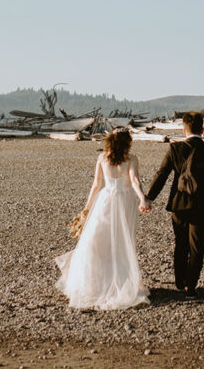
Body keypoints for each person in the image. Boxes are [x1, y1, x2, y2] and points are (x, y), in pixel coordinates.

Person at [56, 128, 150, 310]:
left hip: (105, 200)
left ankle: (96, 283)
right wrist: (142, 197)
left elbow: (96, 185)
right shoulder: (131, 159)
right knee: (121, 242)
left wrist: (87, 208)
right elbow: (134, 181)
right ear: (127, 142)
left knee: (97, 240)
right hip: (124, 201)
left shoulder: (102, 158)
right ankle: (119, 282)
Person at [144, 111, 204, 299]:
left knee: (180, 243)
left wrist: (149, 197)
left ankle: (179, 281)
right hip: (203, 206)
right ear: (203, 130)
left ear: (184, 130)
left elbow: (162, 174)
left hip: (179, 204)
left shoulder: (175, 149)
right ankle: (191, 287)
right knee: (197, 246)